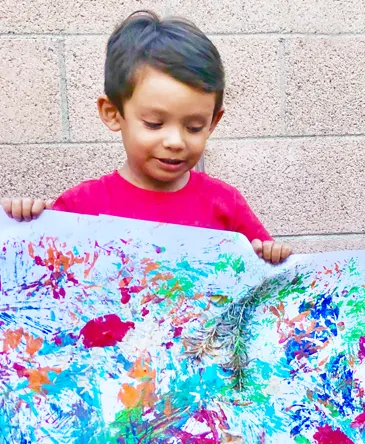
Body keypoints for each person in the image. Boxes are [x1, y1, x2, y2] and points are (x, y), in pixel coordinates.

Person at [1, 11, 291, 265]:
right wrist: (23, 223)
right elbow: (39, 276)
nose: (175, 141)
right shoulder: (81, 207)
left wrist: (271, 257)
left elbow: (268, 274)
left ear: (213, 122)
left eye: (194, 127)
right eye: (154, 124)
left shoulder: (226, 205)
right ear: (113, 113)